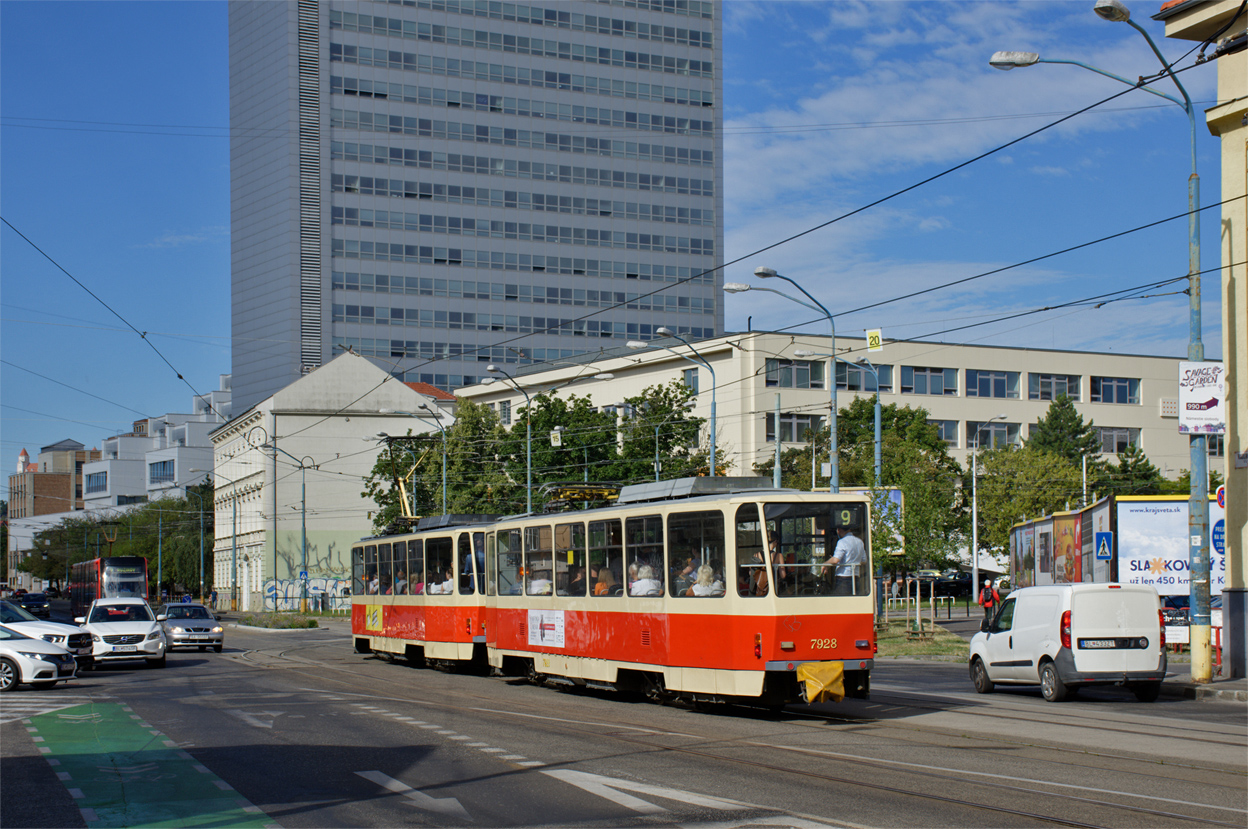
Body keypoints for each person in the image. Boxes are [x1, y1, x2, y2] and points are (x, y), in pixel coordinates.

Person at [821, 526, 866, 595]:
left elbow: (836, 559)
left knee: (841, 603)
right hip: (856, 577)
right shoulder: (859, 542)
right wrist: (852, 561)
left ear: (839, 530)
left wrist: (825, 563)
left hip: (843, 579)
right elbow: (864, 560)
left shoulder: (842, 542)